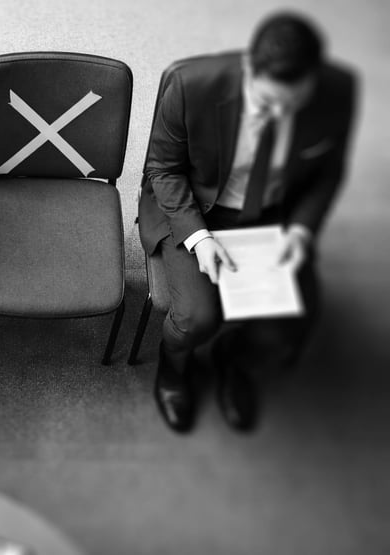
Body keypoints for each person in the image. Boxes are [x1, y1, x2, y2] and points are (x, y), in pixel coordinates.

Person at [140, 12, 356, 434]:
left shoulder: (338, 90)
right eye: (268, 103)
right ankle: (173, 372)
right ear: (249, 71)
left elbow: (328, 173)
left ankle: (233, 363)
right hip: (193, 210)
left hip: (273, 214)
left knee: (289, 327)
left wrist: (301, 230)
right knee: (197, 317)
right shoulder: (190, 85)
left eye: (291, 105)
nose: (278, 114)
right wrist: (199, 239)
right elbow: (162, 169)